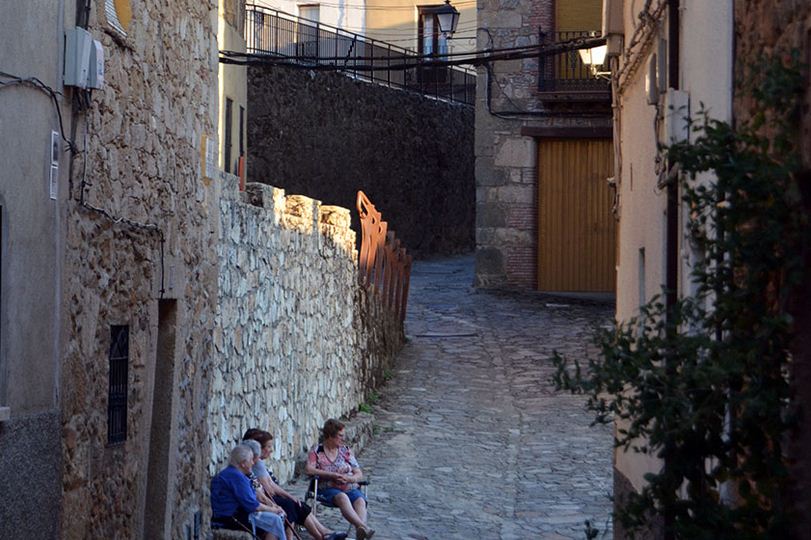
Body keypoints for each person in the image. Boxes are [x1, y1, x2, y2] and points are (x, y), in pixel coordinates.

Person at [242, 430, 346, 540]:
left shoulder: (259, 463)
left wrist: (289, 495)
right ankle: (321, 535)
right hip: (264, 502)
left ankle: (324, 533)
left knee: (298, 504)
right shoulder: (256, 464)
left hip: (267, 499)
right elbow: (269, 490)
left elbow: (271, 485)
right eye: (268, 447)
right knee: (292, 506)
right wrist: (280, 500)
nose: (271, 450)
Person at [304, 419, 374, 540]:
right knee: (342, 497)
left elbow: (358, 473)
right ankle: (362, 527)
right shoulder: (317, 450)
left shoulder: (345, 451)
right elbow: (309, 470)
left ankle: (361, 531)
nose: (343, 439)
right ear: (330, 436)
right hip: (327, 489)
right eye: (340, 436)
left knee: (360, 500)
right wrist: (331, 475)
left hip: (348, 486)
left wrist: (349, 478)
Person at [211, 443, 288, 540]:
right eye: (251, 460)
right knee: (275, 520)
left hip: (230, 515)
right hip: (229, 518)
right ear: (243, 463)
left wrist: (272, 506)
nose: (253, 463)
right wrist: (274, 510)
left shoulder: (234, 473)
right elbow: (253, 505)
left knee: (275, 518)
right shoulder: (236, 477)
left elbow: (256, 496)